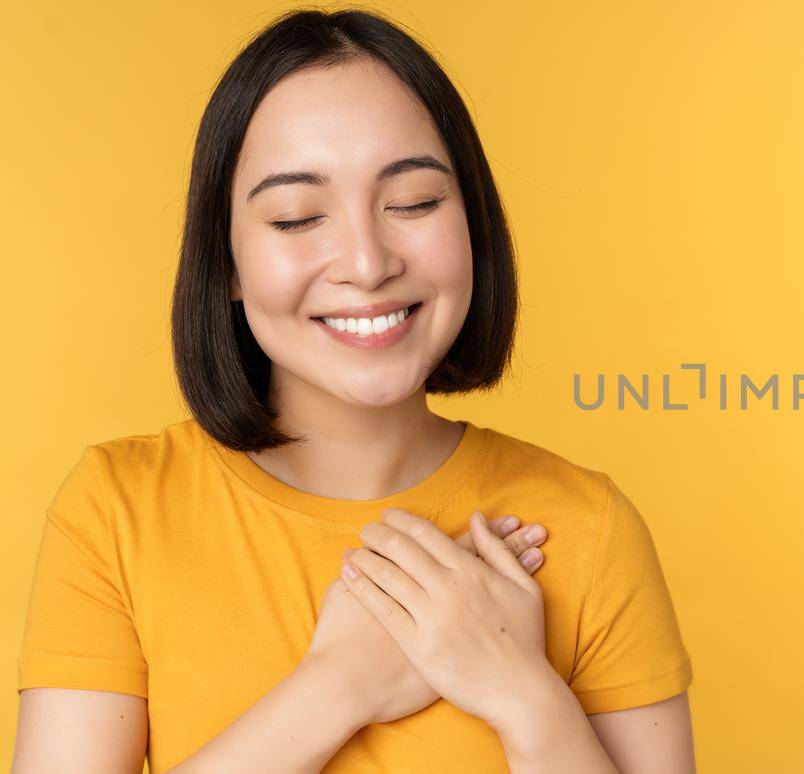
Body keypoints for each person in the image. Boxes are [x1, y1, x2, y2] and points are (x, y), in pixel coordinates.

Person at [11, 9, 694, 773]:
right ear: (228, 263)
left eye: (414, 203)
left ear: (473, 223)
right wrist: (338, 686)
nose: (367, 263)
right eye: (298, 216)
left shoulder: (588, 531)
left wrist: (520, 692)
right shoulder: (116, 513)